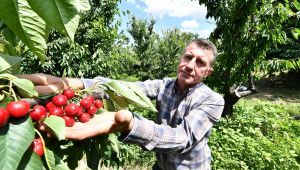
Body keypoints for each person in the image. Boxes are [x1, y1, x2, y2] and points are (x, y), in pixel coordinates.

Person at [19, 38, 224, 170]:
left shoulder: (212, 100)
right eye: (188, 57)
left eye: (200, 63)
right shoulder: (165, 85)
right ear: (181, 59)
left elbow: (182, 139)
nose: (190, 65)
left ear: (208, 72)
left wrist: (132, 124)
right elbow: (125, 87)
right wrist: (79, 83)